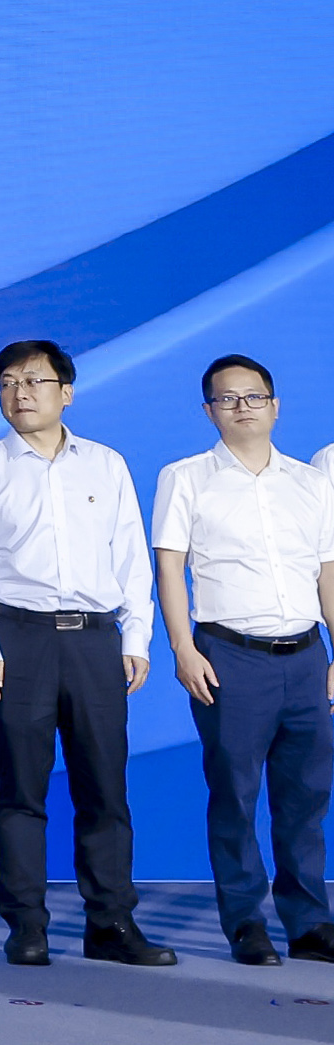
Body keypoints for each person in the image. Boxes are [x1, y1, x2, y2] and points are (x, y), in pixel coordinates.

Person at [0, 338, 170, 967]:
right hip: (18, 640)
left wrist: (136, 636)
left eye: (34, 381)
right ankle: (27, 926)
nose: (20, 393)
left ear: (66, 392)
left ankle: (111, 924)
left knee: (104, 788)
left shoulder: (105, 464)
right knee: (20, 789)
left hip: (97, 640)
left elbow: (131, 557)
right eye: (8, 383)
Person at [153, 354, 334, 966]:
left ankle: (309, 922)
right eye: (227, 398)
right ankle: (245, 922)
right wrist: (182, 647)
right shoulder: (186, 477)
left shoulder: (312, 483)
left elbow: (327, 573)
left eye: (254, 396)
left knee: (306, 796)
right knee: (235, 794)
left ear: (275, 406)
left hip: (307, 656)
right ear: (209, 411)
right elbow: (170, 568)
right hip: (230, 655)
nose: (242, 407)